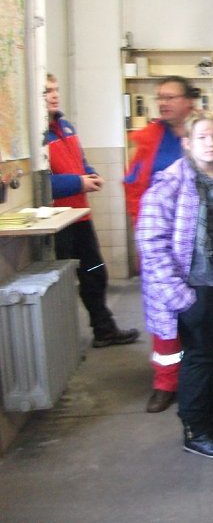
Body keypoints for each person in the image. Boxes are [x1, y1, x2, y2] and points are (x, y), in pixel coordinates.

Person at [125, 76, 213, 413]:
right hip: (176, 261)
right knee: (172, 328)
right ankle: (166, 382)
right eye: (160, 97)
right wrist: (148, 243)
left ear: (189, 100)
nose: (163, 103)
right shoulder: (151, 142)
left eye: (170, 97)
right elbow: (136, 191)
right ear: (188, 142)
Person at [44, 74, 140, 348]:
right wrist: (78, 183)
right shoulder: (36, 136)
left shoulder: (65, 127)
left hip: (80, 217)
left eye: (55, 89)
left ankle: (104, 329)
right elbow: (40, 184)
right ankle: (62, 347)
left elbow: (81, 162)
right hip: (57, 222)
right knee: (61, 284)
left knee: (95, 272)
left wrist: (91, 174)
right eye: (47, 91)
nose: (54, 95)